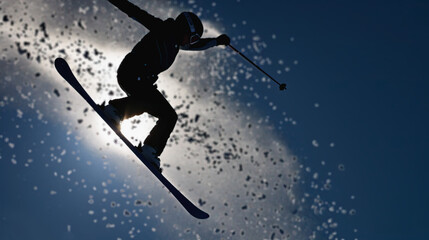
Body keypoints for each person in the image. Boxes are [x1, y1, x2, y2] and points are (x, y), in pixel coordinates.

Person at [102, 0, 230, 172]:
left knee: (170, 116)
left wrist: (216, 42)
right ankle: (115, 110)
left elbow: (198, 46)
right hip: (131, 72)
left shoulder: (177, 44)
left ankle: (150, 149)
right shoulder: (162, 29)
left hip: (145, 83)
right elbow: (135, 12)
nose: (191, 42)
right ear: (183, 28)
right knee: (146, 100)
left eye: (194, 39)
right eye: (191, 37)